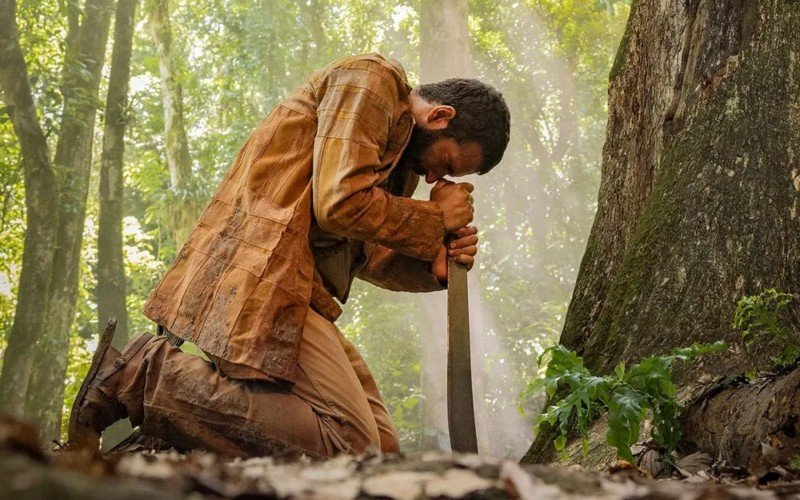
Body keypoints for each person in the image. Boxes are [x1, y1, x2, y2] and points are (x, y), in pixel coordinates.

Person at [68, 53, 510, 458]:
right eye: (445, 163)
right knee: (351, 449)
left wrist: (429, 268)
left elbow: (364, 255)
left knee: (384, 457)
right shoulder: (373, 81)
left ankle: (180, 428)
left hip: (299, 296)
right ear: (439, 115)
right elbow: (338, 204)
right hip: (261, 278)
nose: (435, 176)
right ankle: (142, 376)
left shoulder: (398, 164)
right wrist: (435, 217)